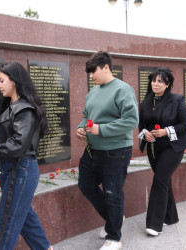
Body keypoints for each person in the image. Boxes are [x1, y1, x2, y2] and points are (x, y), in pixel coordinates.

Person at [0, 62, 53, 250]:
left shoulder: (25, 110)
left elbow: (17, 146)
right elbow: (16, 136)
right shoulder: (14, 106)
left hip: (20, 169)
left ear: (14, 81)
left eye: (1, 81)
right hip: (14, 169)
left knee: (5, 225)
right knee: (25, 218)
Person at [76, 51, 139, 250]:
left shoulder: (123, 90)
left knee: (113, 193)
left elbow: (131, 121)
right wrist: (81, 126)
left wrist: (100, 129)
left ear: (106, 67)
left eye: (93, 72)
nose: (91, 76)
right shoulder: (93, 91)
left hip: (116, 151)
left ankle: (114, 237)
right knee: (86, 185)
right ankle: (115, 218)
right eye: (89, 73)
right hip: (93, 149)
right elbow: (87, 115)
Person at [138, 68, 186, 236]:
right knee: (164, 181)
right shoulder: (145, 103)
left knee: (159, 180)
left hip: (173, 147)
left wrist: (166, 131)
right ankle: (170, 216)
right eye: (154, 81)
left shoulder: (177, 100)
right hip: (154, 148)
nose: (156, 84)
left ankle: (154, 224)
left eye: (160, 81)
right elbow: (141, 126)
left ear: (168, 84)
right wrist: (145, 134)